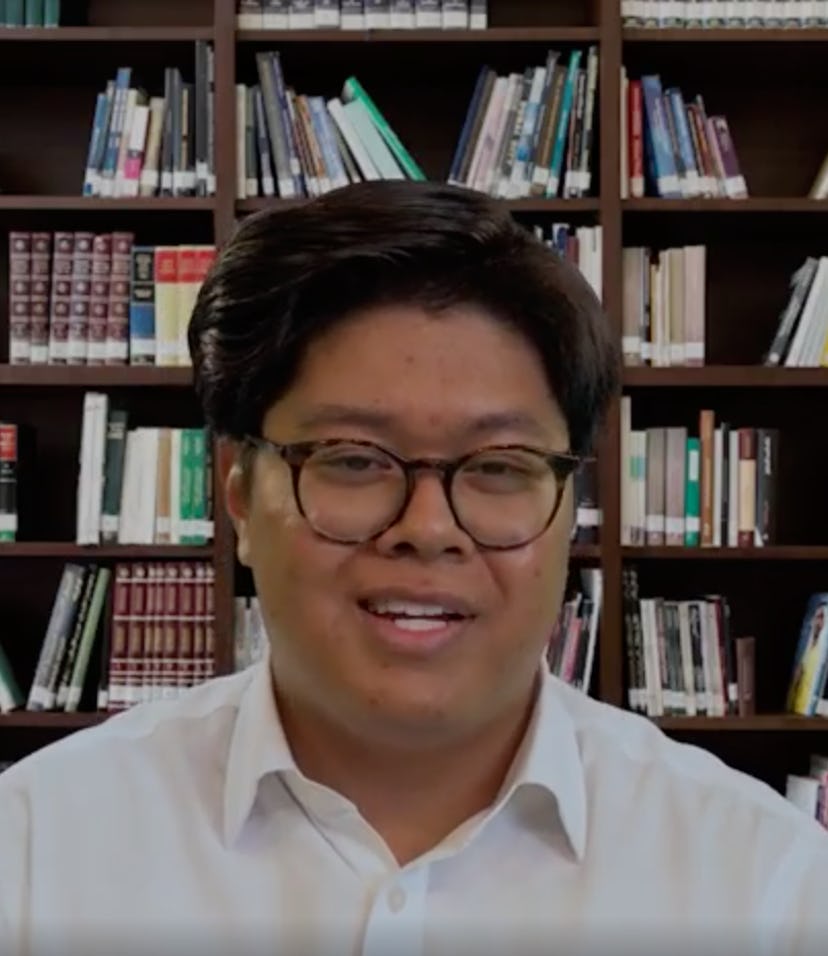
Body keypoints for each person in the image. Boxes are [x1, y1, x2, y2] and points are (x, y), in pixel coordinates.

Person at [1, 180, 827, 956]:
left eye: (500, 465)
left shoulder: (767, 887)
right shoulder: (38, 850)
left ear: (568, 511)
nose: (428, 529)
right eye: (355, 460)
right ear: (241, 497)